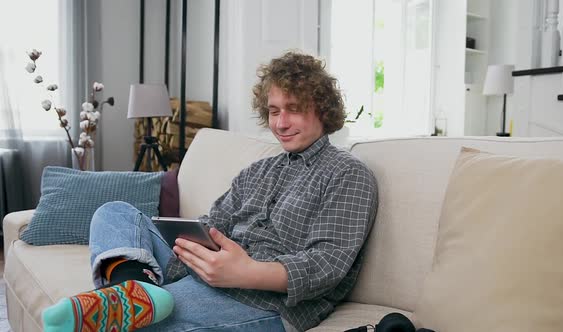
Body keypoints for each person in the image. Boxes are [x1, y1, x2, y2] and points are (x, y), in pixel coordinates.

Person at [42, 51, 378, 332]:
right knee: (114, 211)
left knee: (133, 326)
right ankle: (135, 290)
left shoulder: (347, 173)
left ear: (322, 109)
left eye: (294, 109)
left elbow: (327, 265)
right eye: (274, 111)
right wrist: (191, 244)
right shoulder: (258, 170)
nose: (281, 122)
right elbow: (212, 221)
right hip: (203, 273)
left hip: (262, 301)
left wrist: (246, 272)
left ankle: (133, 300)